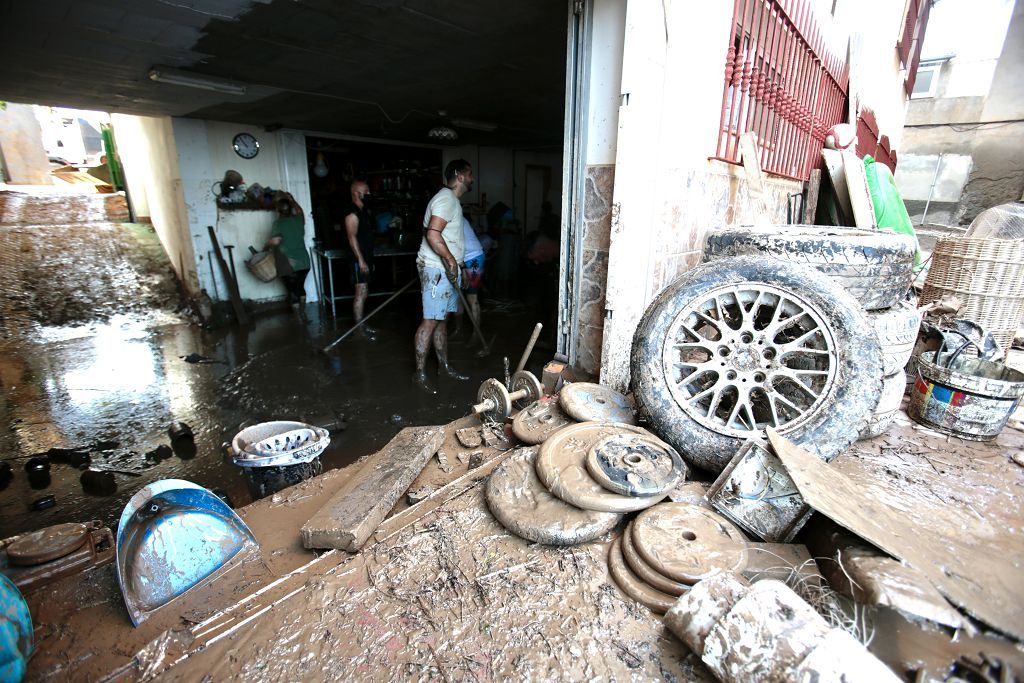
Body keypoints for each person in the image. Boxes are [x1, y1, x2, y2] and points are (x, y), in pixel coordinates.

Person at [413, 159, 474, 393]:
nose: (472, 179)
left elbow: (449, 239)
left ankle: (444, 367)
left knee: (441, 320)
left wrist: (460, 267)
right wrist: (450, 262)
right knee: (430, 321)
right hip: (437, 270)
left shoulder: (451, 201)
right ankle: (419, 374)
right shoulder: (446, 199)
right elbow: (433, 233)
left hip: (447, 269)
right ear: (459, 176)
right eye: (469, 174)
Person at [268, 192, 310, 320]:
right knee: (300, 287)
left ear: (277, 210)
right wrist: (292, 200)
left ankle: (298, 320)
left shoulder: (277, 224)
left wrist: (266, 245)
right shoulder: (298, 219)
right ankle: (303, 313)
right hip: (304, 262)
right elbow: (300, 211)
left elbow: (275, 241)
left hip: (288, 264)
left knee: (292, 291)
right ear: (290, 209)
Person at [344, 179, 376, 339]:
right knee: (360, 292)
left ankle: (362, 324)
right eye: (367, 191)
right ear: (356, 193)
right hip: (358, 259)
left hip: (366, 257)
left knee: (364, 292)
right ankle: (358, 328)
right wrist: (361, 260)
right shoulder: (352, 212)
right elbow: (351, 237)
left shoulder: (363, 211)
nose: (369, 194)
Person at [454, 216, 485, 337]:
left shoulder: (454, 217)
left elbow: (455, 245)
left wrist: (463, 269)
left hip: (473, 257)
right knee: (457, 296)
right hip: (458, 259)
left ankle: (476, 334)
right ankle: (458, 329)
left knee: (471, 297)